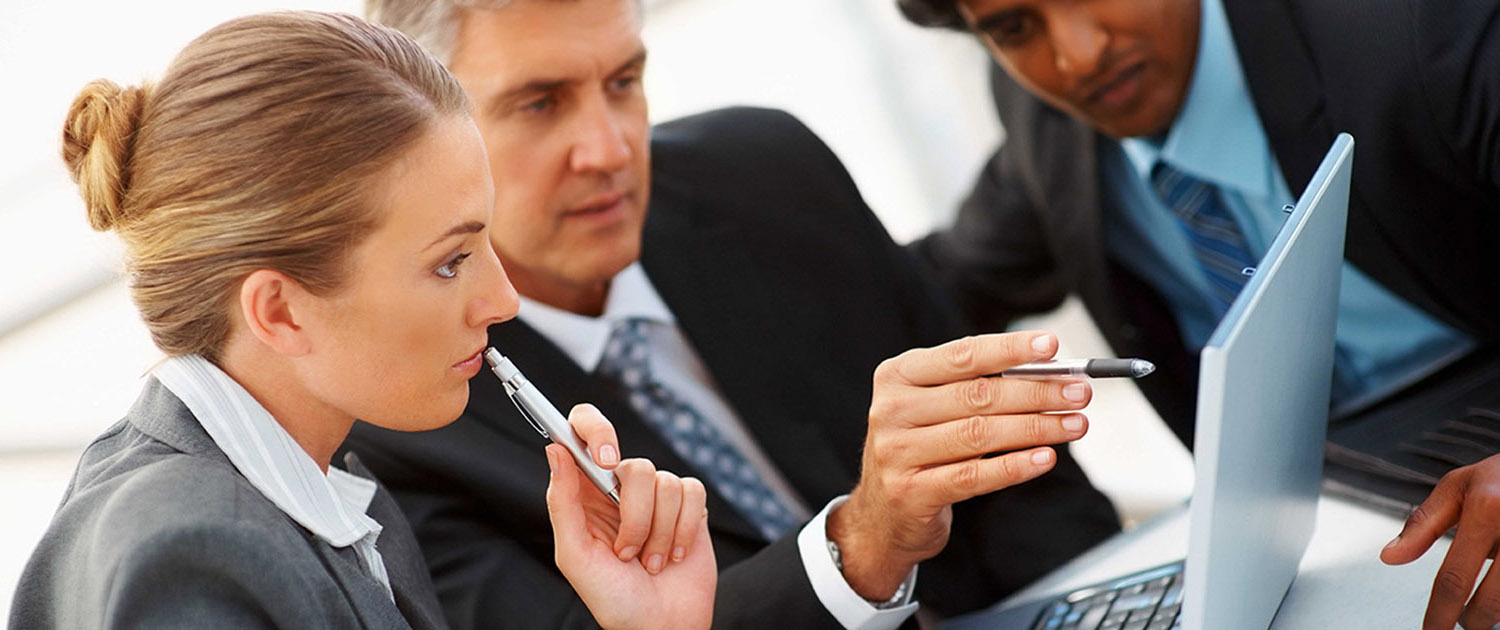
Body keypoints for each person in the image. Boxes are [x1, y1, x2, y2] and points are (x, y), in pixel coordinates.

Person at [341, 0, 1123, 628]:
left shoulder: (767, 172)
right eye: (541, 104)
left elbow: (1023, 488)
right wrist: (862, 543)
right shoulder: (397, 419)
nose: (609, 148)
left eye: (623, 83)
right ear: (426, 138)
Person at [9, 11, 713, 630]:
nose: (504, 301)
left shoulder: (324, 492)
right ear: (281, 312)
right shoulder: (193, 558)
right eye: (451, 261)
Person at [895, 0, 1500, 628]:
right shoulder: (1043, 114)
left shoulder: (1413, 27)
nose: (1078, 56)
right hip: (1312, 525)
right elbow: (939, 288)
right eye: (1015, 29)